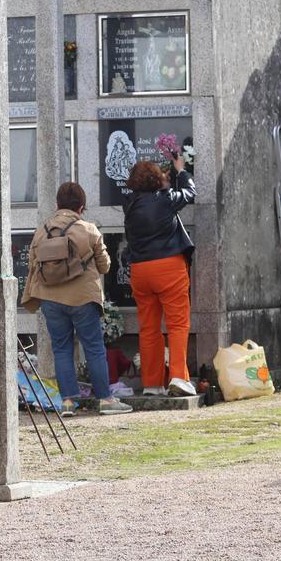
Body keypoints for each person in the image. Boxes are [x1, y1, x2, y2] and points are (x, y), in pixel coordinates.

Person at [22, 182, 134, 417]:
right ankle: (105, 400)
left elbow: (33, 264)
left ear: (57, 205)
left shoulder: (42, 231)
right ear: (81, 207)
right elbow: (104, 266)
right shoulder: (88, 229)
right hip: (83, 298)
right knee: (94, 348)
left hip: (50, 299)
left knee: (62, 350)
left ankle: (68, 403)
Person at [123, 154, 196, 397]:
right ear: (156, 180)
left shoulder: (129, 205)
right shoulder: (166, 200)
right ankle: (178, 377)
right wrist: (180, 170)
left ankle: (152, 384)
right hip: (168, 267)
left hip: (140, 271)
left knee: (149, 328)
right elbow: (190, 192)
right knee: (177, 323)